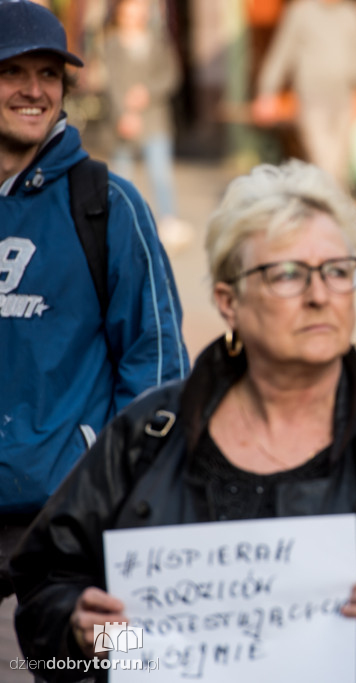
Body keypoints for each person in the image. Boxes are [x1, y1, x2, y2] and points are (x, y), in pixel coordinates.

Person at [10, 159, 356, 682]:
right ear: (229, 301)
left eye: (337, 270)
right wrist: (91, 633)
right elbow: (46, 597)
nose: (319, 294)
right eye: (287, 274)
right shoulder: (147, 439)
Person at [0, 0, 187, 596]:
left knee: (114, 658)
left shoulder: (110, 204)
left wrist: (126, 490)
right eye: (13, 72)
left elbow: (157, 363)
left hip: (75, 523)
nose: (35, 91)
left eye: (49, 74)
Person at [252, 0, 356, 190]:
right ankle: (333, 205)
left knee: (338, 160)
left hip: (344, 97)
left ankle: (332, 206)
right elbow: (282, 53)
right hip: (311, 96)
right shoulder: (300, 13)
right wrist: (267, 91)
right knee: (323, 158)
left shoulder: (353, 14)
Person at [103, 0, 193, 254]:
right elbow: (113, 83)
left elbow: (171, 75)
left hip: (154, 118)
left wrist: (147, 93)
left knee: (160, 173)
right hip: (123, 120)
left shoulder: (157, 41)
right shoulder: (112, 45)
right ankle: (117, 224)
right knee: (122, 175)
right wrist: (125, 113)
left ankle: (167, 220)